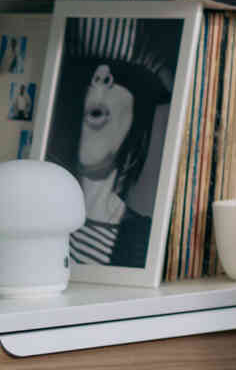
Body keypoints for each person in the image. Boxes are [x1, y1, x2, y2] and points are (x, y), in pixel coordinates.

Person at [49, 19, 179, 269]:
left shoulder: (143, 243)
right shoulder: (35, 217)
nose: (101, 77)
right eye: (85, 76)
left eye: (123, 77)